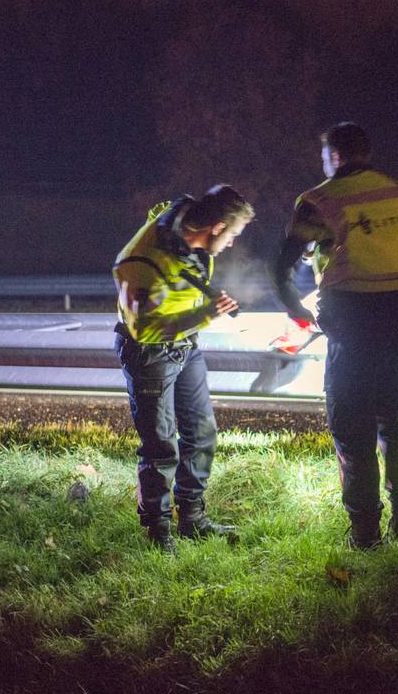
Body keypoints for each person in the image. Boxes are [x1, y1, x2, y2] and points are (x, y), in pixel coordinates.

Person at [271, 122, 398, 549]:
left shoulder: (320, 200)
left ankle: (365, 534)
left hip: (353, 324)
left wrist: (296, 309)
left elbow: (282, 267)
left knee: (351, 427)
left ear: (334, 156)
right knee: (391, 422)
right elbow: (386, 249)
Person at [113, 184, 255, 552]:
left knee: (202, 433)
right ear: (217, 227)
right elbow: (143, 330)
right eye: (233, 235)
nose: (232, 244)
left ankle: (192, 519)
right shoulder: (141, 263)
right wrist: (205, 314)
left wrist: (202, 311)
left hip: (185, 346)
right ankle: (158, 532)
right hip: (150, 354)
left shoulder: (187, 235)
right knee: (161, 445)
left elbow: (170, 222)